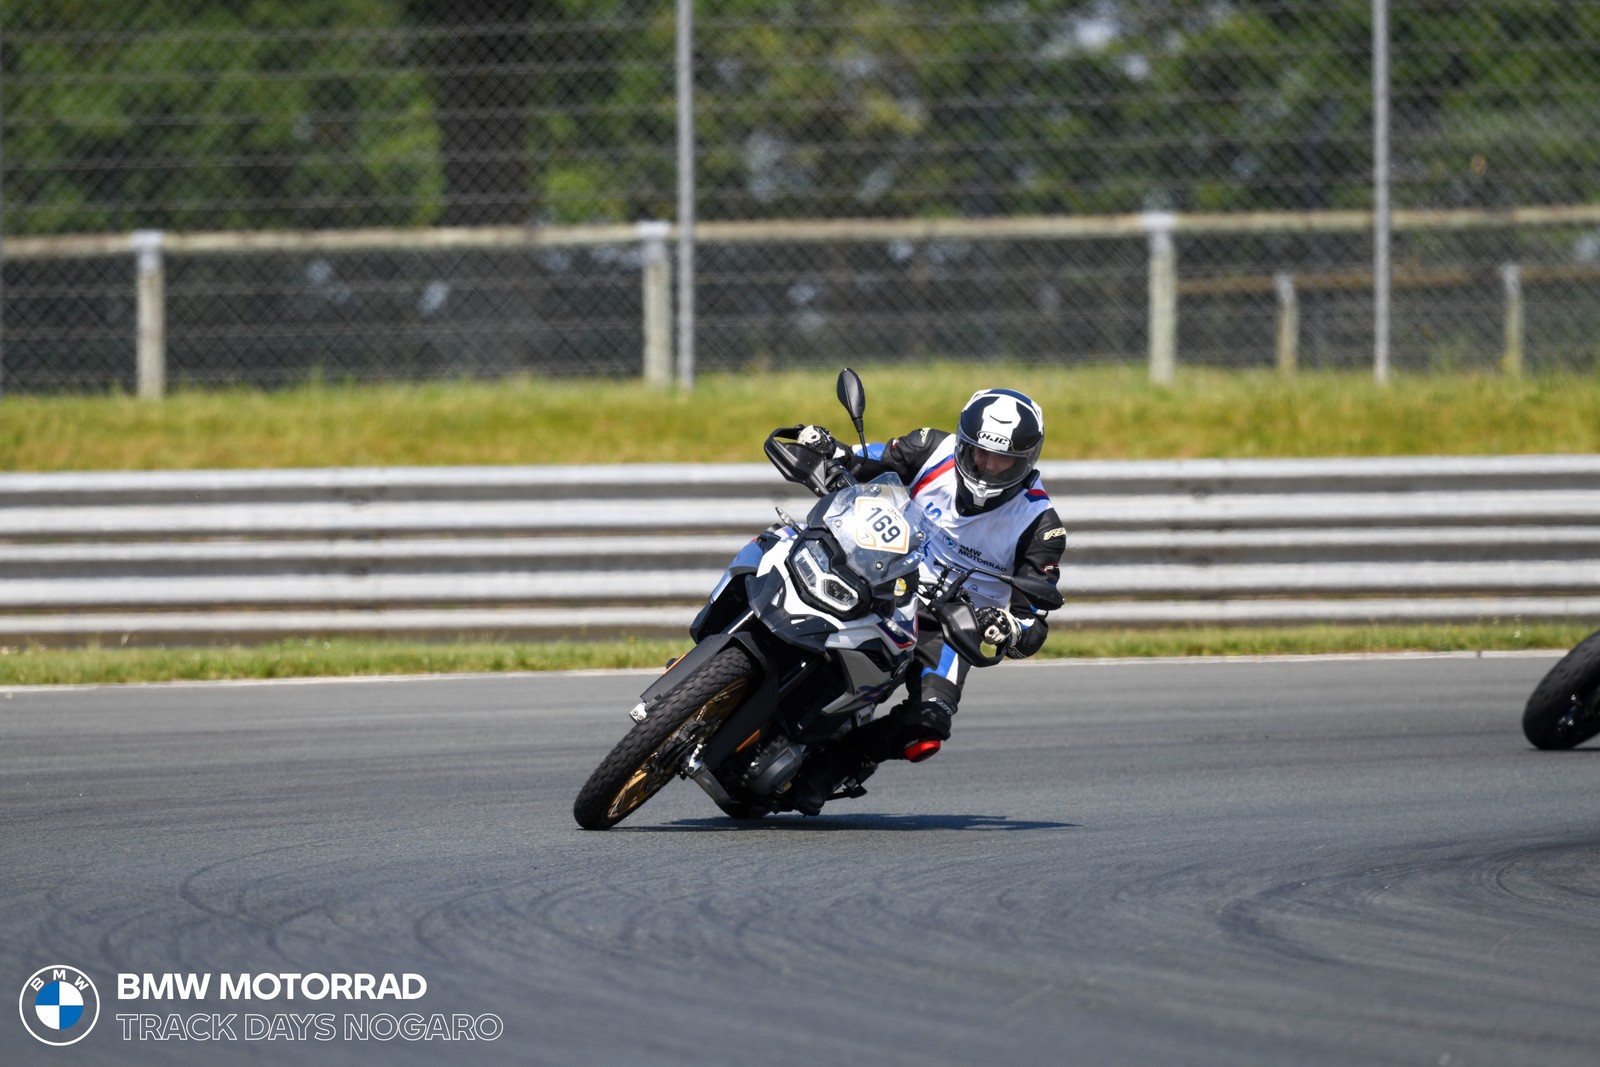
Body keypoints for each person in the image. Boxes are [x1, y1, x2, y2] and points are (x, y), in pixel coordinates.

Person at [786, 387, 1066, 815]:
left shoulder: (1040, 525)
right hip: (882, 574)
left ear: (1026, 460)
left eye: (1002, 458)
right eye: (979, 453)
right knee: (781, 556)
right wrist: (833, 450)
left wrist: (1009, 627)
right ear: (963, 442)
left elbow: (1035, 621)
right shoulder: (930, 447)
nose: (988, 466)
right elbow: (868, 462)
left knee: (928, 727)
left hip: (951, 622)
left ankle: (838, 762)